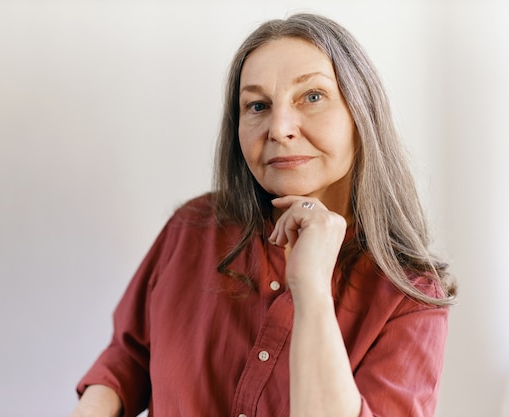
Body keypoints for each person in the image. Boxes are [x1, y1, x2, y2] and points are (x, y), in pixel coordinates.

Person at [69, 12, 457, 417]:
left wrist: (310, 290)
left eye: (312, 96)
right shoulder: (193, 228)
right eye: (258, 105)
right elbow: (127, 357)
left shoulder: (410, 298)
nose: (280, 128)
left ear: (361, 115)